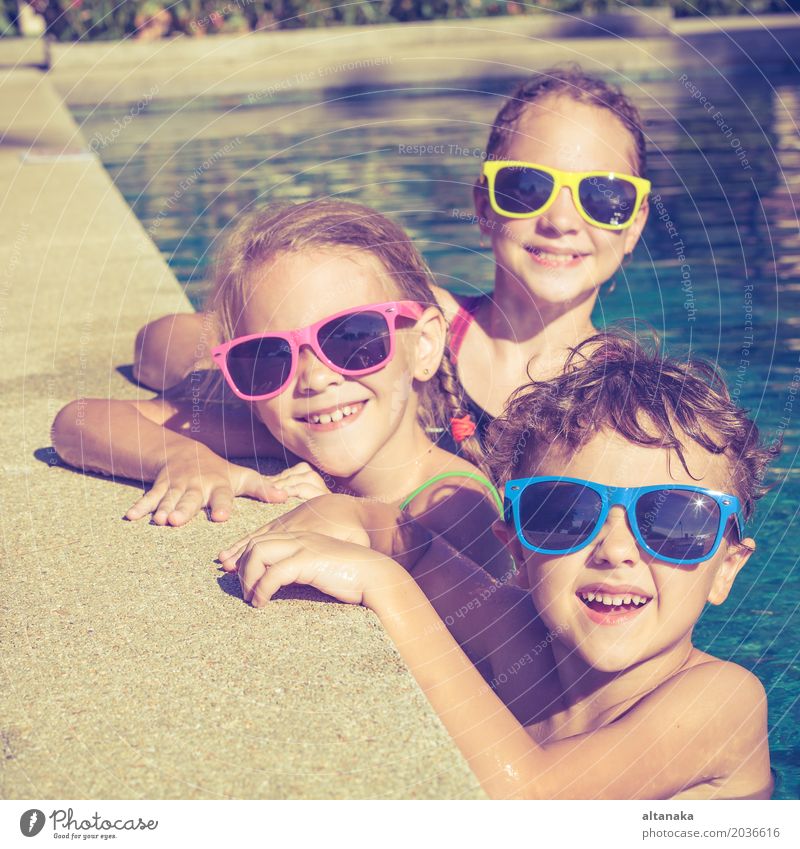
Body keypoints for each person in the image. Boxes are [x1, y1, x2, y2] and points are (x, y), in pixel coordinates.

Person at [227, 331, 776, 799]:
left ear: (726, 568)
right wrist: (343, 512)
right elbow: (414, 548)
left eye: (673, 520)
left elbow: (526, 799)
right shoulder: (517, 635)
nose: (616, 549)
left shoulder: (721, 700)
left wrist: (385, 586)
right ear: (515, 547)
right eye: (563, 511)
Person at [132, 66, 651, 446]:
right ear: (483, 206)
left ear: (635, 225)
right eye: (526, 187)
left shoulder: (632, 403)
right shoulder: (408, 331)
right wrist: (218, 369)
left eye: (605, 197)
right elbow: (156, 346)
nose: (561, 221)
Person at [52, 200, 507, 572]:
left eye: (352, 338)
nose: (314, 377)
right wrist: (183, 456)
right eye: (267, 357)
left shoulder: (456, 503)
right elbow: (77, 421)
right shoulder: (282, 435)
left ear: (424, 345)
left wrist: (358, 518)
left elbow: (478, 636)